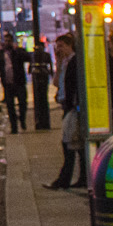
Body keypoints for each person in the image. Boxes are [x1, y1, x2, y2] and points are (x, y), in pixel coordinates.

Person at [45, 34, 86, 190]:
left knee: (68, 142)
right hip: (66, 105)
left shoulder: (76, 61)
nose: (58, 49)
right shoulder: (65, 62)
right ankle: (81, 177)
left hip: (72, 107)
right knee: (76, 144)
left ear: (69, 45)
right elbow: (56, 82)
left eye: (61, 46)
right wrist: (59, 63)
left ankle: (64, 179)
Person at [0, 33, 31, 134]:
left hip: (19, 82)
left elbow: (28, 57)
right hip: (8, 84)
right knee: (10, 106)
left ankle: (22, 119)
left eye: (9, 41)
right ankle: (14, 126)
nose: (7, 43)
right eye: (5, 41)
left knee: (23, 103)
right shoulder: (0, 54)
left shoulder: (18, 52)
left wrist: (17, 49)